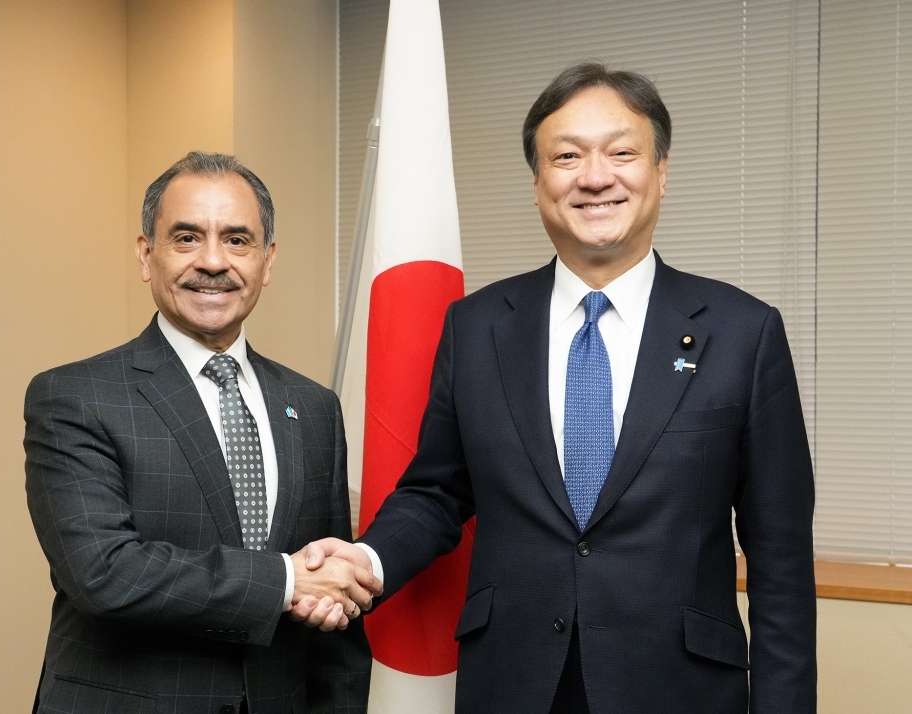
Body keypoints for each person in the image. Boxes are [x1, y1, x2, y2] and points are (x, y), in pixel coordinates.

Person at [299, 63, 817, 713]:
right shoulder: (477, 327)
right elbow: (436, 492)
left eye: (621, 153)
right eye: (567, 156)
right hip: (512, 683)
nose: (594, 177)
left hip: (678, 688)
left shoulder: (744, 333)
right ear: (538, 183)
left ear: (661, 170)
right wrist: (366, 562)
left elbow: (781, 560)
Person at [25, 152, 381, 714]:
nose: (213, 261)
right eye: (187, 237)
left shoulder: (314, 407)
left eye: (237, 240)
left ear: (267, 261)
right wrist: (286, 581)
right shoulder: (74, 396)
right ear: (147, 255)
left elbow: (334, 621)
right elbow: (104, 574)